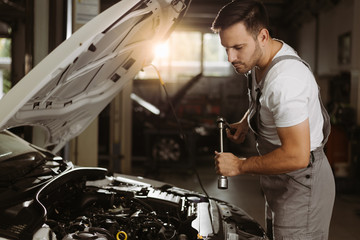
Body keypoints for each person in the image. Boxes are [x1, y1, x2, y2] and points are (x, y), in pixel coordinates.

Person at [211, 0, 335, 239]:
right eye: (226, 48)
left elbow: (296, 156)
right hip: (278, 176)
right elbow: (263, 98)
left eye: (237, 47)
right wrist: (248, 121)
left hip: (300, 181)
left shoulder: (286, 80)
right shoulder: (260, 59)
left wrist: (239, 165)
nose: (230, 58)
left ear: (263, 36)